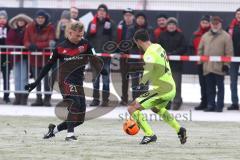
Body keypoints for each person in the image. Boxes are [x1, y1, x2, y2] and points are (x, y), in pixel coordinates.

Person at [25, 21, 104, 141]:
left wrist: (100, 69)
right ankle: (70, 135)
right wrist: (36, 82)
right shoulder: (60, 47)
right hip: (65, 81)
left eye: (81, 35)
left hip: (78, 82)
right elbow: (48, 66)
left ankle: (54, 130)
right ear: (70, 32)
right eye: (77, 35)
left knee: (80, 119)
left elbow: (95, 59)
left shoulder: (86, 45)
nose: (80, 38)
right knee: (74, 104)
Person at [127, 29, 187, 145]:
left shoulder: (148, 53)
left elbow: (148, 69)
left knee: (132, 108)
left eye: (136, 43)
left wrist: (141, 84)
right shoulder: (158, 46)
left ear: (139, 41)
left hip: (162, 89)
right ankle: (179, 129)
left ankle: (149, 134)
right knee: (156, 108)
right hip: (171, 87)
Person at [198, 16, 233, 112]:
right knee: (209, 88)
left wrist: (226, 64)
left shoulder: (226, 36)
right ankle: (210, 105)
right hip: (207, 67)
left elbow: (229, 52)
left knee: (220, 88)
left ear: (220, 24)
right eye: (213, 23)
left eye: (217, 24)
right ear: (211, 24)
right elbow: (200, 50)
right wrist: (200, 63)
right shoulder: (205, 36)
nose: (215, 25)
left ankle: (219, 105)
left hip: (219, 67)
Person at [86, 4, 117, 106]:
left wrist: (109, 51)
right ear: (97, 12)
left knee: (106, 80)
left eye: (103, 11)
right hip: (94, 57)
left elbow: (114, 39)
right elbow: (87, 39)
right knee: (95, 80)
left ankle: (105, 100)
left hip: (106, 57)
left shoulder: (111, 24)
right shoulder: (91, 23)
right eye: (100, 11)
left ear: (106, 13)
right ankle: (95, 99)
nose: (101, 13)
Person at [24, 9, 55, 106]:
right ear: (36, 18)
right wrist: (29, 46)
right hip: (34, 59)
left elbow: (51, 42)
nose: (40, 19)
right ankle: (38, 99)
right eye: (39, 18)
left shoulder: (50, 27)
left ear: (45, 19)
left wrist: (36, 45)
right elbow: (26, 41)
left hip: (46, 60)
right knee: (36, 80)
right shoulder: (30, 27)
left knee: (47, 80)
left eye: (42, 18)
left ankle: (47, 99)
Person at [158, 17, 187, 110]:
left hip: (177, 65)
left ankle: (177, 101)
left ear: (176, 26)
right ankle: (167, 102)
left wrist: (173, 54)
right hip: (164, 65)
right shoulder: (162, 35)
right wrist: (164, 53)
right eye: (169, 24)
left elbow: (184, 48)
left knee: (176, 85)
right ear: (167, 26)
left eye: (173, 25)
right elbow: (158, 47)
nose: (171, 26)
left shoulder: (181, 35)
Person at [6, 13, 32, 105]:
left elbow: (29, 41)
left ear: (25, 22)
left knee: (24, 77)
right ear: (16, 22)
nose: (20, 22)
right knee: (17, 77)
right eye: (19, 21)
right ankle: (17, 97)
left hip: (25, 57)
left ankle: (24, 97)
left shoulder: (28, 30)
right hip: (15, 57)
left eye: (22, 21)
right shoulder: (12, 30)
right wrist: (17, 48)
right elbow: (8, 41)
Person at [190, 15, 211, 110]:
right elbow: (191, 47)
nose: (205, 24)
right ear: (200, 23)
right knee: (202, 83)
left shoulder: (212, 34)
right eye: (203, 22)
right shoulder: (196, 34)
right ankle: (203, 102)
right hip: (199, 63)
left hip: (210, 63)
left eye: (206, 22)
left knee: (210, 83)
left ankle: (211, 103)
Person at [117, 8, 136, 105]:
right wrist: (120, 51)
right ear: (124, 17)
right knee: (124, 78)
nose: (128, 17)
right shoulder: (120, 26)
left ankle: (134, 99)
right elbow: (117, 40)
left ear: (133, 16)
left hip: (133, 57)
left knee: (135, 78)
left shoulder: (136, 27)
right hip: (123, 57)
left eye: (129, 15)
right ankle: (124, 98)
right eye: (126, 15)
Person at [227, 8, 240, 110]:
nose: (239, 15)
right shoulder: (230, 28)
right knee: (233, 81)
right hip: (233, 58)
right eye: (237, 14)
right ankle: (234, 103)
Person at [0, 10, 11, 103]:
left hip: (6, 57)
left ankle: (6, 95)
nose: (2, 20)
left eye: (4, 18)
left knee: (6, 75)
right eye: (0, 18)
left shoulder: (10, 28)